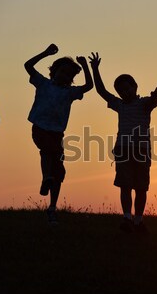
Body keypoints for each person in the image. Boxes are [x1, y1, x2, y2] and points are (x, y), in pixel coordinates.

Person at [88, 52, 157, 233]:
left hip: (141, 150)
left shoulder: (144, 103)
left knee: (141, 187)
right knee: (125, 185)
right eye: (120, 90)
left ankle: (138, 220)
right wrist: (95, 69)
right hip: (123, 148)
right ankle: (127, 218)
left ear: (135, 87)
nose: (124, 92)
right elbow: (101, 92)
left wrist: (154, 98)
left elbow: (152, 104)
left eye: (127, 88)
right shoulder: (119, 105)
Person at [24, 44, 93, 225]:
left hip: (57, 133)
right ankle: (46, 177)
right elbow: (28, 66)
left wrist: (84, 65)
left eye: (69, 75)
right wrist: (46, 53)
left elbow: (89, 86)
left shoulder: (70, 92)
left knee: (59, 172)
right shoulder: (43, 83)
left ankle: (52, 207)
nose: (65, 76)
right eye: (62, 71)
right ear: (54, 71)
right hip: (40, 127)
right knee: (47, 151)